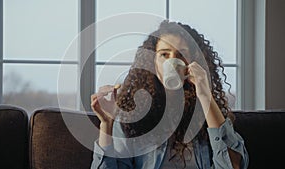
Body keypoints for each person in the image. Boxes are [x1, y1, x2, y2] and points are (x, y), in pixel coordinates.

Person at [90, 20, 249, 169]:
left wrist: (206, 96)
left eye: (181, 55)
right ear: (153, 62)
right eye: (164, 54)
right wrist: (107, 124)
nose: (172, 62)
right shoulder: (132, 116)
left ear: (192, 63)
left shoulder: (207, 114)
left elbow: (233, 166)